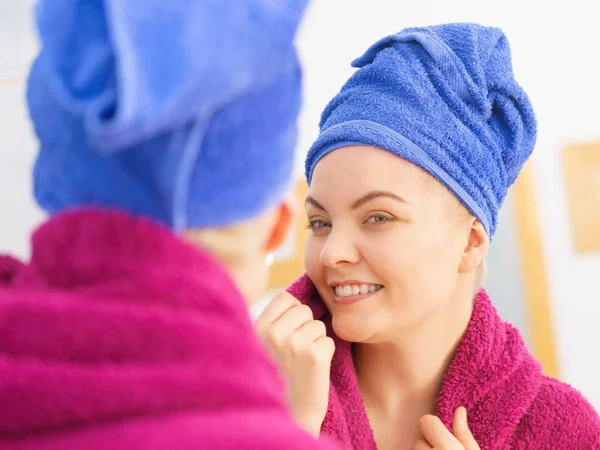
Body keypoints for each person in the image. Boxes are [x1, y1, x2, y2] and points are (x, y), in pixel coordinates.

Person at [257, 23, 600, 449]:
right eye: (320, 223)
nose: (331, 253)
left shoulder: (564, 433)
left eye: (377, 217)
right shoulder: (243, 398)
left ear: (470, 243)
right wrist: (282, 432)